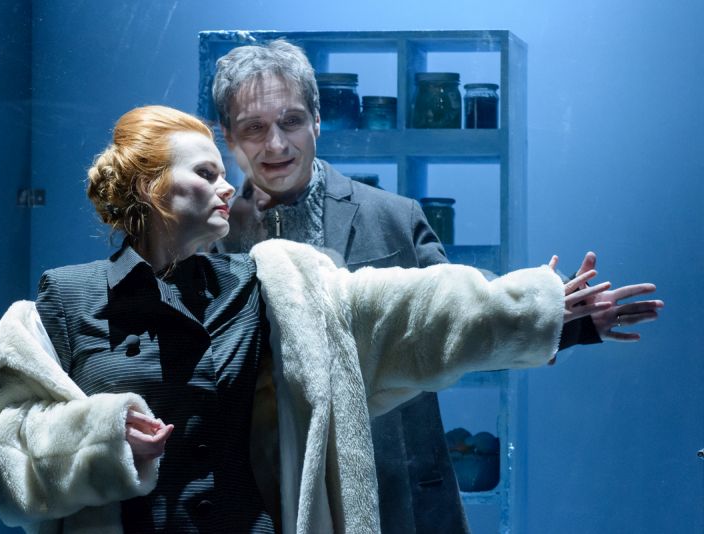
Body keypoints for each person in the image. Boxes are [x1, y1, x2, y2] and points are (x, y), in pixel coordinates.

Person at [0, 105, 611, 534]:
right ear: (151, 187)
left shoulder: (267, 287)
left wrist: (548, 312)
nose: (227, 185)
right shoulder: (68, 298)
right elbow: (0, 445)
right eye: (206, 172)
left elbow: (411, 313)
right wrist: (100, 437)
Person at [211, 40, 665, 532]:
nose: (277, 145)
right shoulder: (208, 236)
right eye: (254, 128)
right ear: (227, 136)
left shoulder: (393, 217)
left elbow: (463, 314)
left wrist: (564, 319)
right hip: (260, 498)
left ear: (317, 121)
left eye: (292, 121)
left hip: (399, 497)